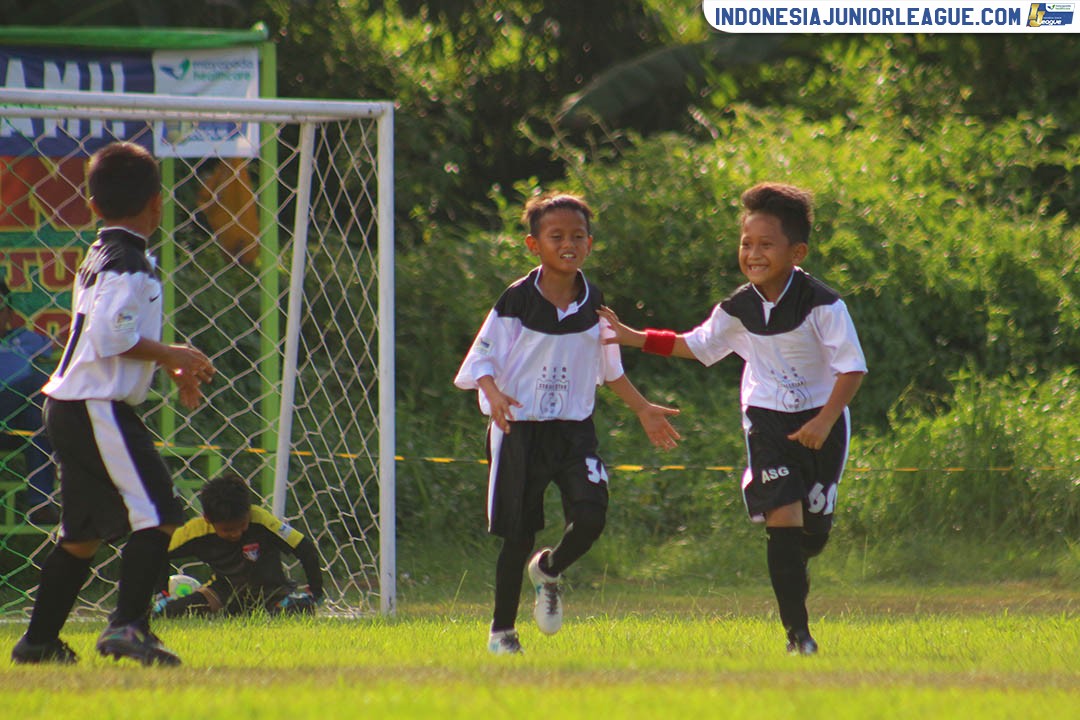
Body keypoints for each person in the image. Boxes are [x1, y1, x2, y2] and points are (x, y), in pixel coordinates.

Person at [599, 182, 867, 655]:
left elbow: (852, 369)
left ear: (796, 250)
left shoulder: (824, 304)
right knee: (782, 518)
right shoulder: (738, 307)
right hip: (766, 421)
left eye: (766, 244)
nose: (754, 253)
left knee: (813, 533)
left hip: (824, 421)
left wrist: (825, 421)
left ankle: (797, 564)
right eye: (747, 243)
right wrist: (632, 336)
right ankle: (798, 636)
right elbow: (697, 344)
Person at [10, 141, 215, 666]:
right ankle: (128, 627)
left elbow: (109, 336)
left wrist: (167, 366)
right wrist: (175, 353)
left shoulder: (102, 255)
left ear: (93, 205)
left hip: (72, 404)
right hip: (96, 406)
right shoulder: (131, 265)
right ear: (157, 203)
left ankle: (38, 642)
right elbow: (110, 337)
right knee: (160, 513)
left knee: (80, 535)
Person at [454, 191, 681, 655]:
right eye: (556, 236)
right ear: (533, 244)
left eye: (577, 236)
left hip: (574, 429)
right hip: (520, 429)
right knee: (518, 535)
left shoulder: (592, 300)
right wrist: (493, 392)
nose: (568, 244)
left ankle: (550, 569)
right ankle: (502, 632)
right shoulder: (516, 300)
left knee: (592, 515)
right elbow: (481, 357)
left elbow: (609, 367)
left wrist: (642, 408)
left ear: (590, 244)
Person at [153, 472, 323, 618]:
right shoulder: (197, 530)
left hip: (272, 595)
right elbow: (157, 553)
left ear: (248, 512)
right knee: (168, 613)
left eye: (242, 525)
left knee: (297, 609)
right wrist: (162, 595)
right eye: (227, 529)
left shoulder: (261, 520)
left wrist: (315, 591)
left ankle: (288, 604)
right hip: (222, 594)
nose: (236, 533)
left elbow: (305, 548)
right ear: (208, 519)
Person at [0, 280, 57, 524]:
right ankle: (41, 501)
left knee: (40, 403)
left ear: (10, 312)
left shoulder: (26, 340)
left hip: (17, 422)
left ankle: (40, 502)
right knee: (36, 384)